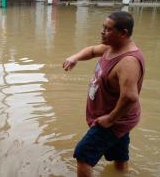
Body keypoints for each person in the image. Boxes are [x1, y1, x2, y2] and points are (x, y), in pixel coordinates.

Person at [62, 11, 145, 177]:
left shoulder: (128, 62)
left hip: (114, 119)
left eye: (108, 29)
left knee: (83, 154)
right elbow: (92, 51)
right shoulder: (112, 47)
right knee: (119, 156)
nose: (102, 32)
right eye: (103, 27)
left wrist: (110, 119)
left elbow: (130, 97)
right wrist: (75, 57)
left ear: (123, 33)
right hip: (119, 117)